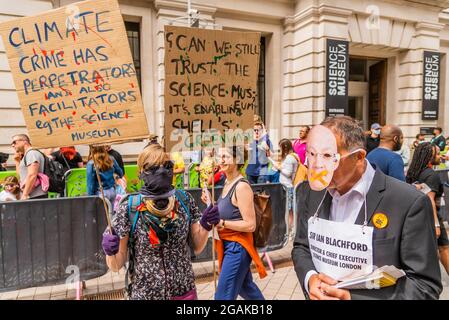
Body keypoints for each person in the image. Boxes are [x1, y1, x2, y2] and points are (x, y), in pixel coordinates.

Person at [292, 116, 441, 300]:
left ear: (359, 157)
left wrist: (351, 297)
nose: (317, 167)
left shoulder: (409, 203)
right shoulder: (313, 191)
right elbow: (301, 246)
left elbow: (424, 286)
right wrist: (310, 279)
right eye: (312, 155)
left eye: (329, 157)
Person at [102, 144, 216, 299]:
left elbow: (196, 247)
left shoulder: (184, 200)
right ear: (141, 171)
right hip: (145, 294)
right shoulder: (129, 207)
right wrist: (110, 252)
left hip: (184, 292)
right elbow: (116, 265)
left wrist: (205, 225)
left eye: (167, 166)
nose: (162, 171)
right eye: (154, 167)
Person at [201, 146, 266, 300]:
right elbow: (228, 211)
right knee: (246, 288)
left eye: (226, 156)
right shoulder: (226, 183)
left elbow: (250, 225)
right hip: (228, 245)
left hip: (237, 247)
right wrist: (210, 202)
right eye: (220, 156)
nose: (221, 160)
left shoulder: (241, 186)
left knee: (222, 297)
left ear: (237, 160)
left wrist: (222, 223)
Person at [406, 142, 449, 275]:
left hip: (416, 216)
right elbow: (430, 200)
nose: (439, 156)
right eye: (436, 153)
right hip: (431, 216)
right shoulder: (431, 175)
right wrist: (436, 224)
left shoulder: (413, 172)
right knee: (444, 248)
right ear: (429, 156)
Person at [11, 134, 48, 200]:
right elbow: (21, 176)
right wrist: (17, 162)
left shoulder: (31, 153)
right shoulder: (27, 154)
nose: (12, 145)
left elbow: (32, 175)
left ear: (25, 142)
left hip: (36, 196)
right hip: (32, 195)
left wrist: (25, 194)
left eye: (14, 142)